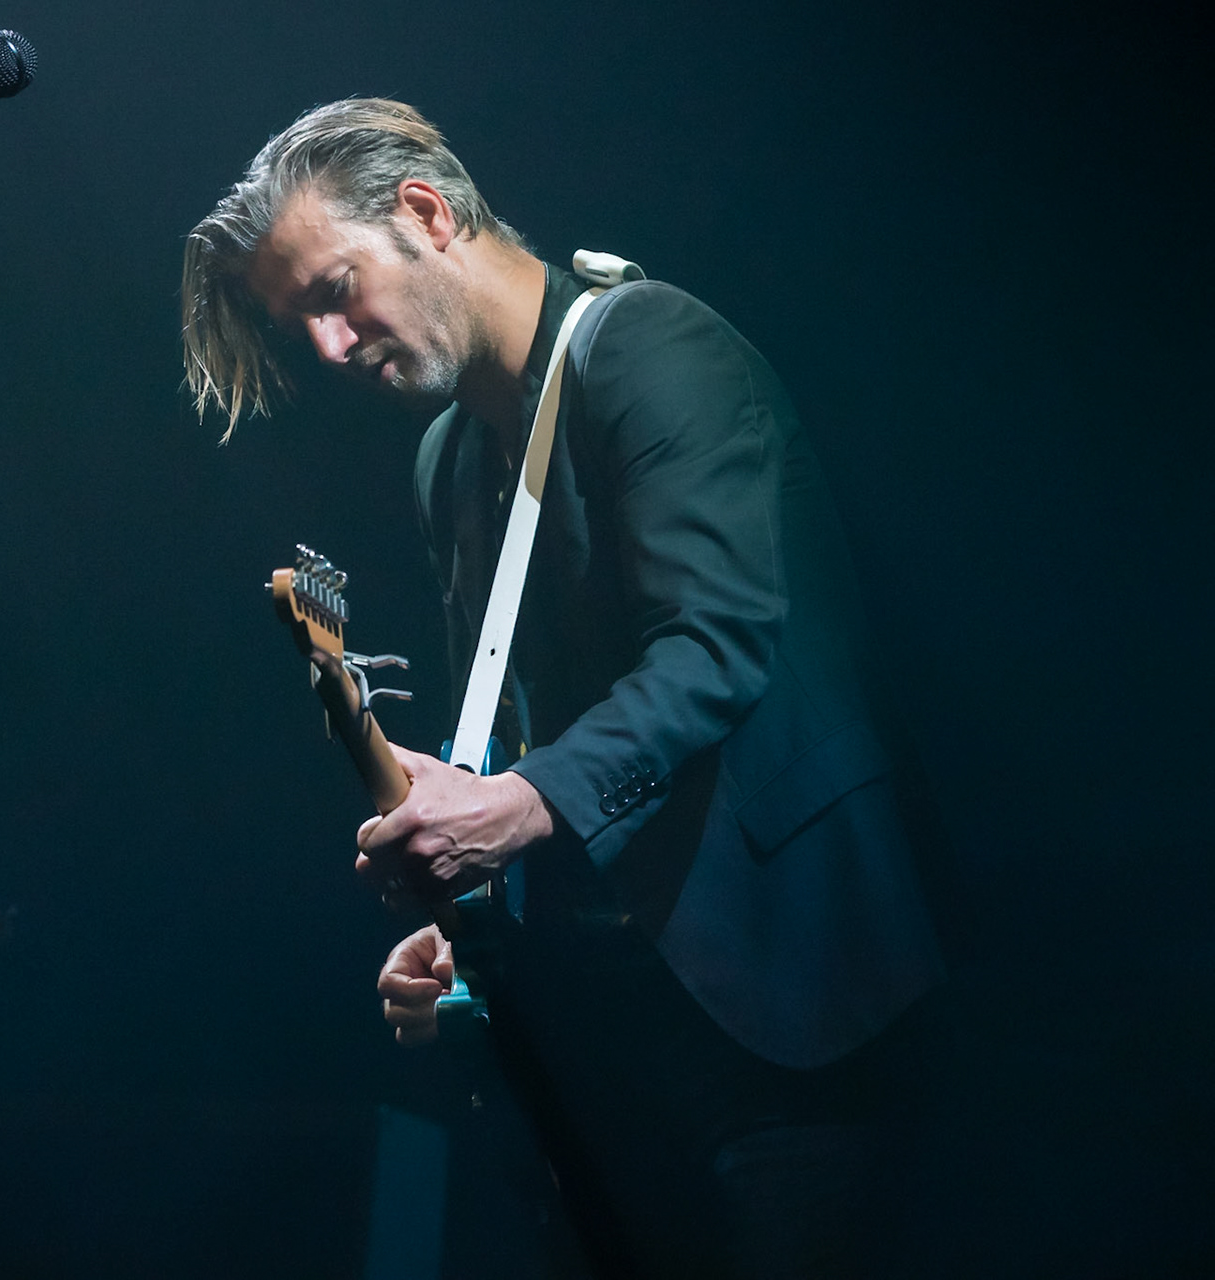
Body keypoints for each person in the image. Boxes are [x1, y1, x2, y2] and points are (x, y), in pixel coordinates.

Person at [182, 99, 945, 1277]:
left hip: (786, 1011)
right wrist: (469, 925)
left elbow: (720, 644)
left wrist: (516, 807)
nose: (330, 349)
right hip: (612, 1043)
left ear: (427, 214)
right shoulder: (450, 458)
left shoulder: (651, 348)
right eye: (303, 327)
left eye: (335, 292)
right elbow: (526, 746)